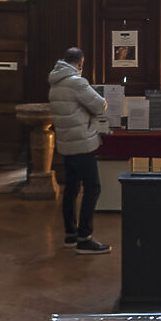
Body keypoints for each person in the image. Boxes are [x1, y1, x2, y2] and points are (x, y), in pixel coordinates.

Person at [48, 45, 112, 252]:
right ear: (80, 62)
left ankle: (70, 234)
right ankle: (85, 237)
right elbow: (100, 105)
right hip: (82, 142)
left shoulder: (55, 82)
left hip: (66, 143)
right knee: (93, 187)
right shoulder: (76, 82)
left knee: (71, 189)